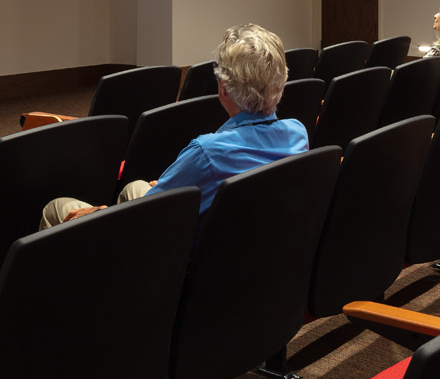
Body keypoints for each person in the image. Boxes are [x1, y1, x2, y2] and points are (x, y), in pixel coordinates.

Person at [39, 23, 307, 228]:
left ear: (223, 89)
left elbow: (147, 217)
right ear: (280, 84)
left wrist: (98, 212)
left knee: (57, 208)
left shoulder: (206, 154)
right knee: (135, 188)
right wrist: (167, 187)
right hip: (247, 252)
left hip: (175, 261)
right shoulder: (297, 134)